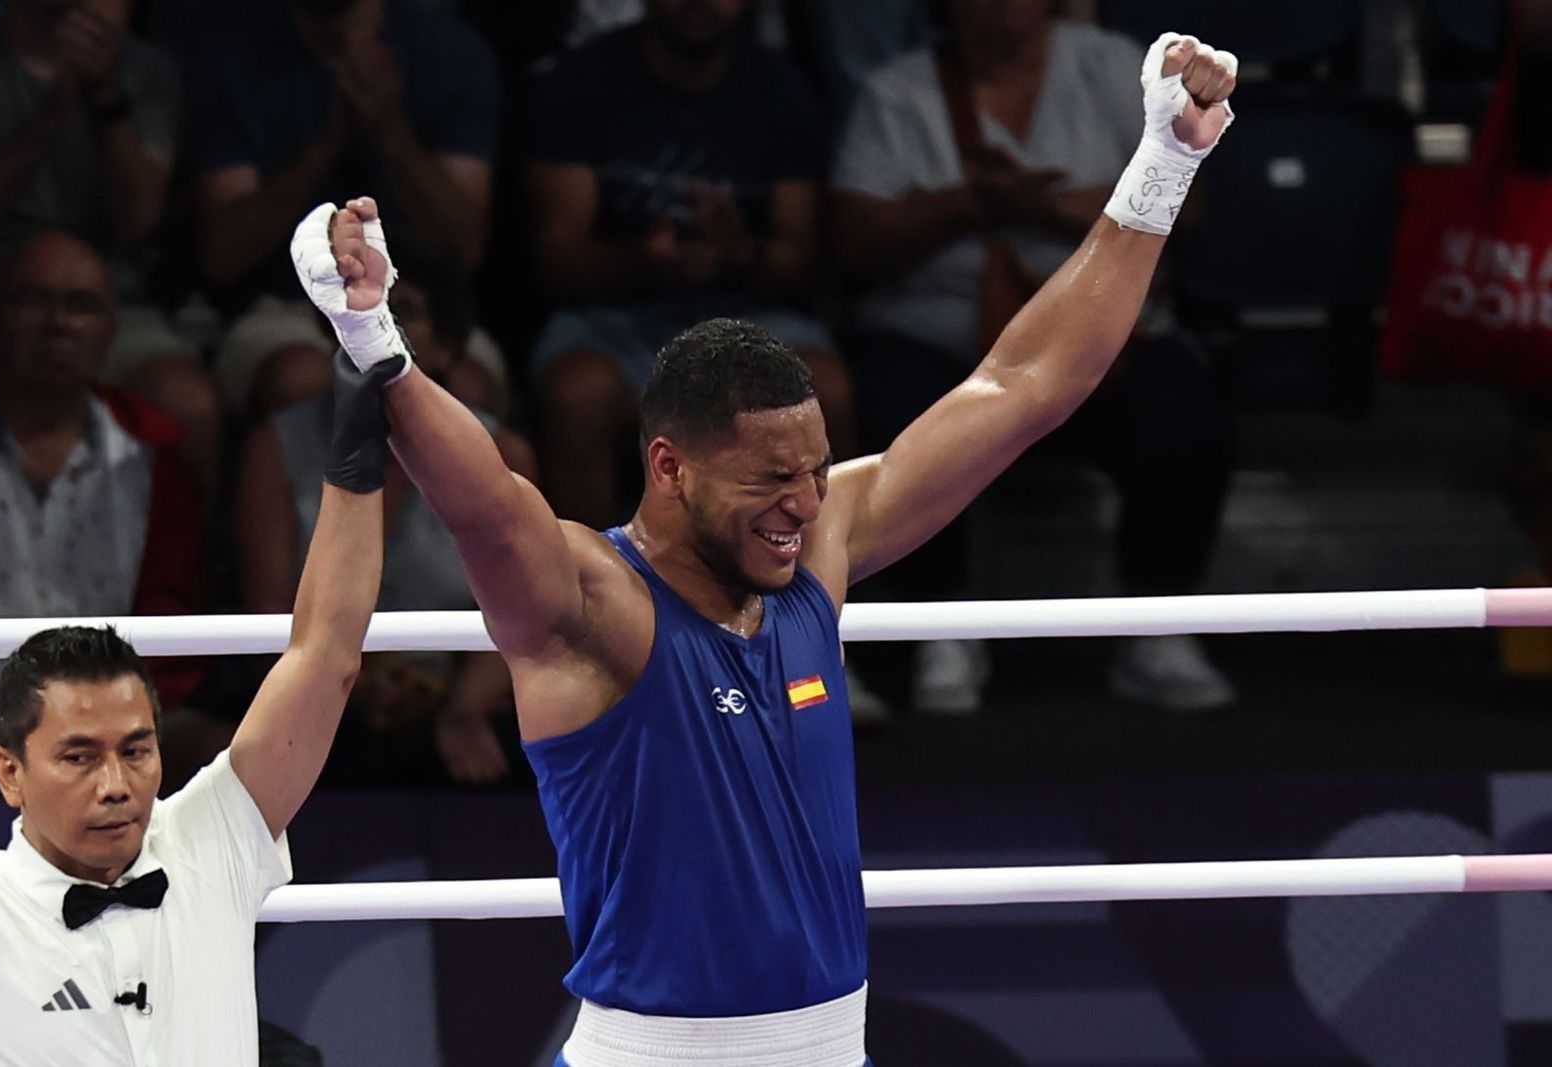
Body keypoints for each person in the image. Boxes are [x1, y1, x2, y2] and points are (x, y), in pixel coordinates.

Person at [295, 30, 1237, 1065]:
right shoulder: (594, 606)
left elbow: (1024, 387)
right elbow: (484, 504)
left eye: (813, 470)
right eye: (768, 481)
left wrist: (1163, 163)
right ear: (670, 468)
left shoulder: (816, 549)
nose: (803, 504)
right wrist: (375, 344)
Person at [0, 332, 399, 1062]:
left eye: (136, 750)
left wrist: (355, 438)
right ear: (9, 772)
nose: (116, 785)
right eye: (78, 755)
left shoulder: (208, 837)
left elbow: (325, 657)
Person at [830, 0, 1236, 713]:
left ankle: (1157, 624)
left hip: (1108, 335)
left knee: (1185, 417)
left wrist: (1156, 163)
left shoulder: (1111, 65)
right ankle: (933, 626)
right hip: (935, 331)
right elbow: (855, 237)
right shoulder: (897, 90)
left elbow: (1194, 215)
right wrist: (975, 204)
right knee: (901, 405)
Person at [523, 0, 856, 528]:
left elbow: (804, 261)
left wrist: (738, 252)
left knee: (827, 388)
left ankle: (812, 589)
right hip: (615, 318)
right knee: (578, 395)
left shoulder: (780, 89)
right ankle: (588, 593)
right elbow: (556, 260)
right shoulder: (580, 83)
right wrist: (647, 262)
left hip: (750, 316)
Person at [236, 233, 537, 786]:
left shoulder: (501, 454)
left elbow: (529, 603)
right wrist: (343, 682)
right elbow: (268, 607)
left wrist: (463, 706)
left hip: (456, 694)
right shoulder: (276, 446)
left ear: (448, 346)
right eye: (359, 312)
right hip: (316, 688)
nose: (375, 326)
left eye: (402, 312)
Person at [0, 232, 208, 796]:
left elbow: (172, 614)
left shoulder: (155, 452)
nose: (58, 323)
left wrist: (113, 719)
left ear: (110, 330)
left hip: (113, 707)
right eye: (32, 301)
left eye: (81, 305)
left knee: (222, 758)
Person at [0, 0, 222, 494]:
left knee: (186, 402)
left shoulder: (145, 70)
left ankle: (175, 567)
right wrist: (46, 122)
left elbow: (138, 219)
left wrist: (104, 97)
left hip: (114, 304)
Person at [185, 0, 500, 419]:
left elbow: (463, 248)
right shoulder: (231, 54)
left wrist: (390, 133)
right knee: (300, 379)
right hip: (284, 305)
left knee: (466, 385)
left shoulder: (452, 51)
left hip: (420, 301)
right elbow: (222, 256)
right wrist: (326, 146)